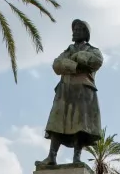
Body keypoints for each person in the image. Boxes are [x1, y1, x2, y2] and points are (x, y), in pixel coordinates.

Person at [39, 19, 104, 166]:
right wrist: (75, 65)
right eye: (74, 29)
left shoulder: (93, 50)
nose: (75, 31)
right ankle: (51, 156)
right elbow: (57, 65)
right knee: (56, 124)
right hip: (64, 91)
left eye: (79, 29)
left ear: (85, 33)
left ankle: (76, 157)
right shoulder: (67, 51)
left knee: (80, 126)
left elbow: (96, 61)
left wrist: (77, 58)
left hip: (83, 91)